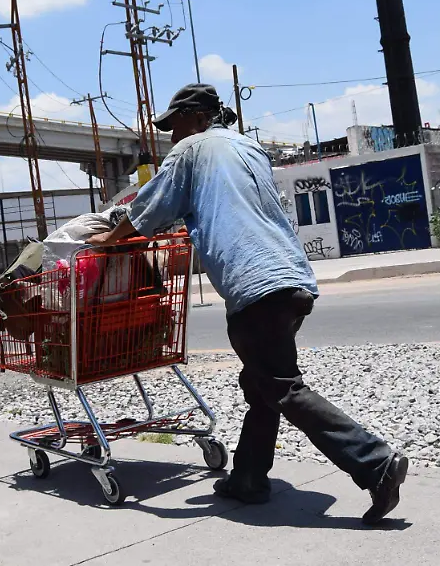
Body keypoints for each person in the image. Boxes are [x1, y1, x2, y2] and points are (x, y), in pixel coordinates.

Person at [87, 84, 408, 525]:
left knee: (280, 388)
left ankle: (376, 463)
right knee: (260, 386)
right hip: (290, 276)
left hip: (254, 285)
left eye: (175, 124)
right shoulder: (248, 147)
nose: (171, 136)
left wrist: (108, 238)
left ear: (199, 117)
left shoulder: (193, 149)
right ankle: (249, 479)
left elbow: (151, 207)